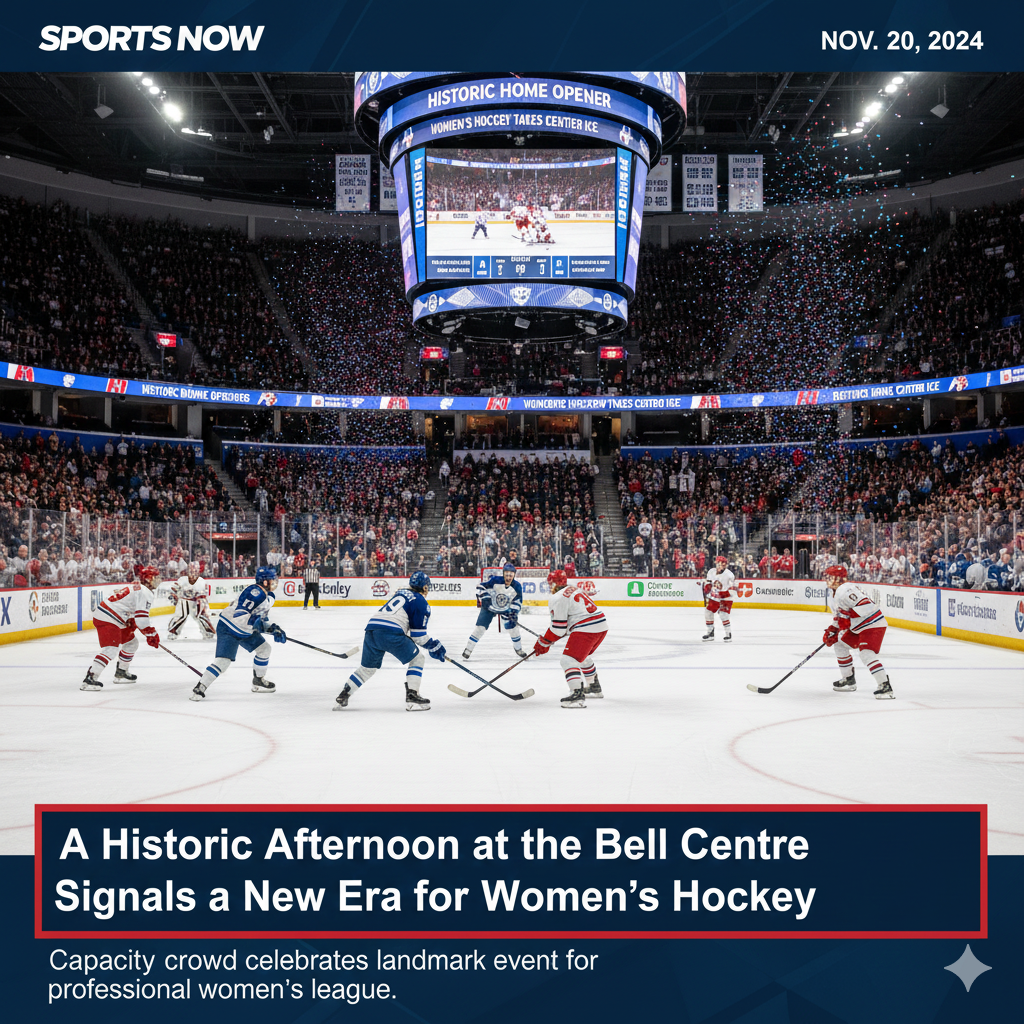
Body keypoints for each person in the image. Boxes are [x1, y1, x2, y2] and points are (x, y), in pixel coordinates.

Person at [334, 571, 446, 712]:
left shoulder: (400, 593)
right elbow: (418, 636)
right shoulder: (421, 602)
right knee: (418, 659)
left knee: (367, 669)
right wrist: (434, 646)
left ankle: (344, 694)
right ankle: (412, 696)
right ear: (424, 587)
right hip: (390, 633)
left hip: (371, 630)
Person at [190, 566, 287, 701]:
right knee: (223, 662)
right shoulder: (255, 592)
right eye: (272, 580)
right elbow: (240, 615)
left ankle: (258, 681)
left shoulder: (267, 596)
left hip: (245, 629)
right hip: (229, 628)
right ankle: (200, 687)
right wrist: (259, 624)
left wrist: (273, 629)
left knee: (264, 649)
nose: (275, 582)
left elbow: (258, 620)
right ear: (264, 582)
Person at [532, 569, 608, 707]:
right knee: (581, 656)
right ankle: (594, 687)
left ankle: (577, 695)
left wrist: (544, 642)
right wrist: (549, 639)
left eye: (550, 584)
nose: (549, 587)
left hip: (587, 627)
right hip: (601, 625)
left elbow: (558, 629)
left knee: (568, 660)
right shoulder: (574, 589)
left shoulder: (557, 598)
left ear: (554, 584)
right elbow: (567, 624)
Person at [81, 565, 162, 690]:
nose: (159, 580)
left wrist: (132, 622)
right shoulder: (145, 592)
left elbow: (132, 612)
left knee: (131, 643)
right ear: (148, 579)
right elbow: (141, 619)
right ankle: (90, 679)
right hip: (108, 618)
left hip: (112, 616)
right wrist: (151, 634)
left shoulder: (138, 587)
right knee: (110, 649)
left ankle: (121, 673)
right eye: (156, 577)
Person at [821, 565, 894, 699]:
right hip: (859, 627)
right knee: (839, 643)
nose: (826, 579)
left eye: (829, 576)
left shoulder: (845, 590)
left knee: (866, 653)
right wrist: (833, 630)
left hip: (873, 625)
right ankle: (848, 680)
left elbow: (867, 606)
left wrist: (849, 618)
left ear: (837, 578)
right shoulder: (836, 592)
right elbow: (840, 615)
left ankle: (885, 686)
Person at [463, 562, 527, 660]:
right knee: (480, 628)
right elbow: (480, 586)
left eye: (511, 574)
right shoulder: (495, 580)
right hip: (489, 607)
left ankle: (518, 649)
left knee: (513, 628)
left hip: (506, 609)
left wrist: (513, 612)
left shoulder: (517, 586)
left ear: (514, 574)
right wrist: (485, 598)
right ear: (503, 573)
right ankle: (468, 648)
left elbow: (518, 601)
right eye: (507, 574)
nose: (509, 577)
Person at [167, 563, 215, 640]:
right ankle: (173, 632)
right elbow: (174, 588)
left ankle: (207, 632)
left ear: (198, 572)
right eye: (191, 571)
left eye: (195, 571)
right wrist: (173, 595)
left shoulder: (202, 582)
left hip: (197, 602)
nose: (193, 573)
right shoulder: (183, 579)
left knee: (201, 616)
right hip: (184, 601)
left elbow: (203, 595)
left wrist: (201, 605)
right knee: (180, 616)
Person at [702, 554, 735, 642]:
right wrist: (707, 587)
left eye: (724, 564)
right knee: (708, 612)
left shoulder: (729, 575)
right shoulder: (711, 572)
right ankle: (710, 633)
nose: (721, 565)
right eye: (720, 563)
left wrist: (724, 594)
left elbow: (732, 589)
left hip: (726, 597)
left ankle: (728, 634)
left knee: (723, 614)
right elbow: (708, 582)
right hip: (715, 596)